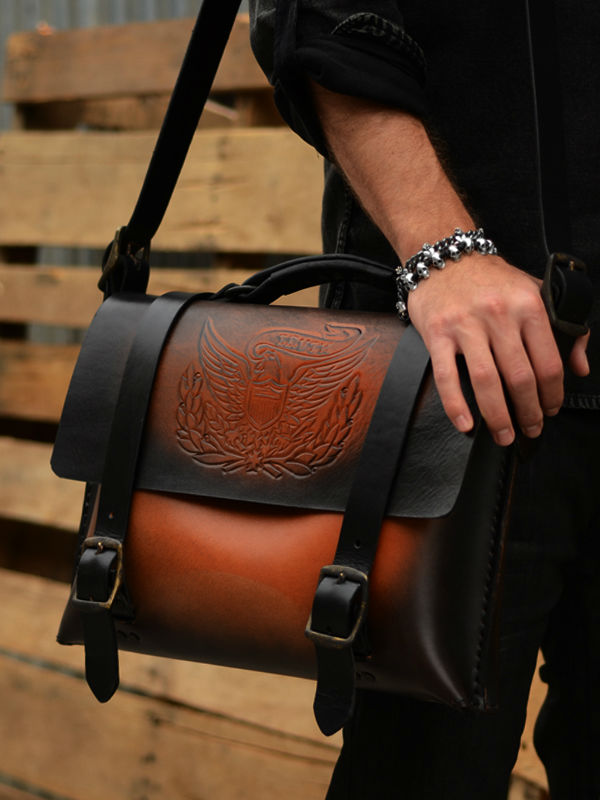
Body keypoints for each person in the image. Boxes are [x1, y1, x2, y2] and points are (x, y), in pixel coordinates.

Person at [248, 2, 600, 798]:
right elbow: (324, 18)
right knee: (425, 774)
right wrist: (443, 250)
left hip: (493, 371)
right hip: (464, 386)